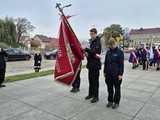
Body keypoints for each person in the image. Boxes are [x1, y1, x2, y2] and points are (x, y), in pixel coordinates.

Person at [104, 38, 124, 109]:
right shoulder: (108, 52)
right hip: (108, 74)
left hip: (116, 75)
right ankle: (110, 101)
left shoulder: (120, 52)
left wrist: (121, 74)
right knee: (109, 89)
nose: (111, 46)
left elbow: (121, 64)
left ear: (115, 43)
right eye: (110, 45)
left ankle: (116, 102)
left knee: (117, 89)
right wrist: (104, 72)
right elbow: (106, 63)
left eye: (112, 45)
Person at [85, 28, 101, 103]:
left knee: (95, 81)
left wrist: (87, 50)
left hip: (95, 65)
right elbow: (90, 54)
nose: (91, 35)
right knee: (90, 80)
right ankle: (90, 94)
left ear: (95, 34)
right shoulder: (91, 42)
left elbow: (95, 52)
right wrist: (87, 54)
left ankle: (96, 96)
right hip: (91, 64)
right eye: (90, 34)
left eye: (92, 34)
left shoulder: (98, 42)